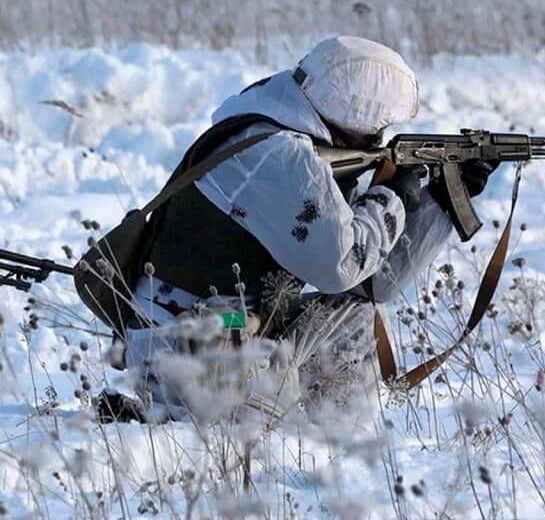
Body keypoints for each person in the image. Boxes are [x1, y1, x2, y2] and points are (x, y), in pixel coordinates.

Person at [110, 36, 497, 423]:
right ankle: (192, 423)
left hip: (218, 328)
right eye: (377, 128)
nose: (381, 137)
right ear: (356, 116)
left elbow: (370, 284)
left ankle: (339, 447)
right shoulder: (280, 155)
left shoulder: (277, 134)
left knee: (353, 313)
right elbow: (341, 266)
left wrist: (442, 201)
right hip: (191, 343)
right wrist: (389, 197)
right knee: (262, 441)